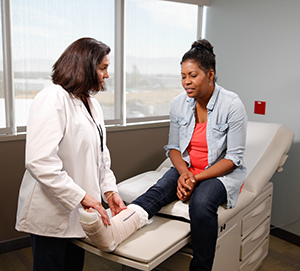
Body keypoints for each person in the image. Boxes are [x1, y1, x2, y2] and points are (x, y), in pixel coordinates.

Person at [79, 39, 247, 271]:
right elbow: (173, 148)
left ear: (210, 75)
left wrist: (195, 179)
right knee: (157, 191)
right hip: (186, 168)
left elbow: (233, 158)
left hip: (219, 174)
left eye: (193, 75)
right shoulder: (179, 103)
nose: (186, 82)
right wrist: (185, 173)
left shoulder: (232, 105)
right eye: (182, 76)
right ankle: (114, 230)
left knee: (201, 203)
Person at [15, 37, 129, 271]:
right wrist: (82, 197)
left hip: (78, 214)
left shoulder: (92, 104)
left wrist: (110, 190)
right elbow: (39, 161)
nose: (107, 75)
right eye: (103, 68)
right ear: (85, 67)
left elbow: (101, 155)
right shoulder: (53, 98)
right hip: (51, 214)